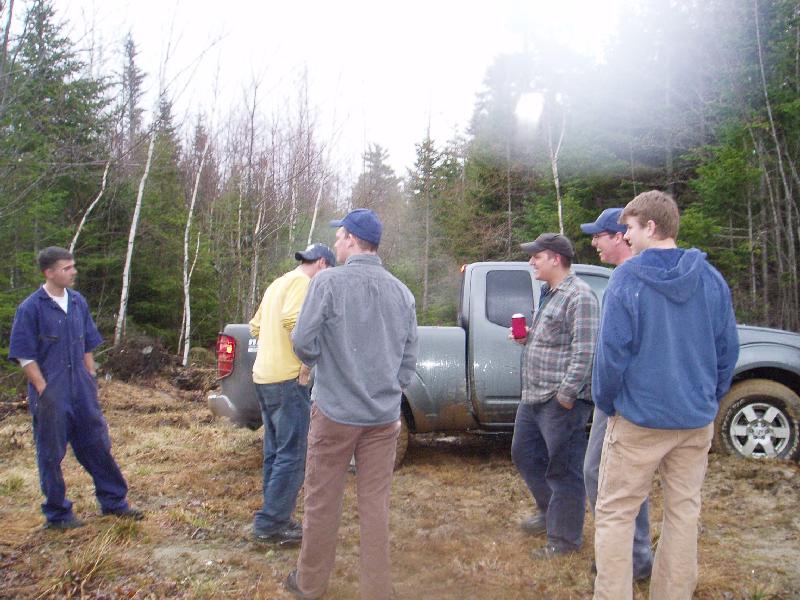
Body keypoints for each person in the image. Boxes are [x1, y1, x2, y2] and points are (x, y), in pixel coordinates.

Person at [592, 191, 739, 600]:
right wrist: (708, 397)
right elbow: (728, 350)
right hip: (694, 421)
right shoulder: (711, 279)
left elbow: (611, 354)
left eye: (630, 228)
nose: (626, 236)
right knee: (683, 514)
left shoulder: (627, 278)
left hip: (639, 421)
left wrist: (607, 404)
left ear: (651, 227)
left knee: (617, 514)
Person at [284, 208, 418, 600]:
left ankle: (310, 585)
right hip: (382, 418)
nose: (338, 242)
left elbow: (304, 342)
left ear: (352, 240)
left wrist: (324, 364)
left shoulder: (327, 283)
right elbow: (409, 358)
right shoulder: (402, 292)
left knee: (322, 500)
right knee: (375, 505)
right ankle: (377, 590)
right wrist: (391, 388)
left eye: (340, 237)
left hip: (334, 414)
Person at [8, 247, 142, 529]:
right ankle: (58, 515)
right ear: (50, 273)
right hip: (51, 393)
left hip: (81, 390)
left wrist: (90, 376)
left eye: (73, 266)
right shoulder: (31, 308)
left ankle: (114, 503)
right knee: (51, 454)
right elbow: (24, 354)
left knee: (97, 445)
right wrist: (43, 388)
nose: (74, 271)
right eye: (67, 268)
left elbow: (87, 344)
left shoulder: (78, 302)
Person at [511, 233, 599, 557]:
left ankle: (564, 540)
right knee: (524, 454)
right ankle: (550, 513)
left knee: (563, 469)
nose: (531, 261)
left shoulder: (581, 297)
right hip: (534, 396)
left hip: (560, 401)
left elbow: (585, 351)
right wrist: (529, 338)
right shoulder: (550, 292)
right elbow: (557, 339)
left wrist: (566, 395)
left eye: (537, 256)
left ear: (556, 259)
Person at [580, 208, 653, 581]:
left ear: (622, 236)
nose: (594, 242)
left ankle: (631, 556)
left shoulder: (633, 280)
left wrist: (607, 399)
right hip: (614, 397)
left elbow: (622, 351)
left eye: (599, 235)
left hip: (622, 400)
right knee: (604, 473)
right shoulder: (622, 279)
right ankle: (626, 552)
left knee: (608, 474)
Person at [249, 243, 335, 546]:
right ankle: (271, 524)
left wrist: (274, 347)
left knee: (275, 452)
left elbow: (255, 327)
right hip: (287, 379)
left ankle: (274, 513)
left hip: (264, 376)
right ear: (323, 264)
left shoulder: (279, 282)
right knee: (293, 454)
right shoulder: (303, 284)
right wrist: (305, 362)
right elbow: (294, 324)